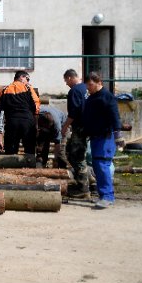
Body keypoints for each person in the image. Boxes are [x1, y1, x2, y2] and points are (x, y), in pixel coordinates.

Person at [83, 73, 125, 209]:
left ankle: (107, 196)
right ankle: (103, 195)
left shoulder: (107, 97)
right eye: (87, 85)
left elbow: (114, 115)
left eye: (90, 85)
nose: (88, 88)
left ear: (99, 82)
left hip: (105, 136)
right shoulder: (91, 98)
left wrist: (118, 134)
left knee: (102, 164)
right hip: (95, 137)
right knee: (97, 165)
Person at [0, 70, 40, 166]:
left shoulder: (5, 89)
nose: (28, 81)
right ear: (21, 77)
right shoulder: (28, 88)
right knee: (30, 150)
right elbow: (36, 108)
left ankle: (10, 171)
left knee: (10, 150)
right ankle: (31, 171)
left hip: (11, 123)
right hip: (27, 122)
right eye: (27, 79)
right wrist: (35, 124)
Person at [61, 68, 90, 199]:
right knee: (77, 153)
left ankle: (83, 187)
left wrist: (65, 126)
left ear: (70, 78)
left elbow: (73, 112)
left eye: (66, 81)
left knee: (75, 156)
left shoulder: (74, 91)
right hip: (88, 126)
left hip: (79, 128)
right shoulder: (86, 88)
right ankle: (91, 181)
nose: (66, 84)